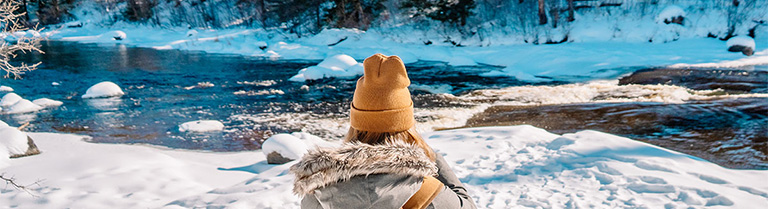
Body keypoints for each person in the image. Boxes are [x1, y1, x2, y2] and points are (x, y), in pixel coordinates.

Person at [290, 53, 477, 209]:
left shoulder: (317, 190)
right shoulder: (427, 191)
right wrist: (434, 160)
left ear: (355, 126)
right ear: (407, 127)